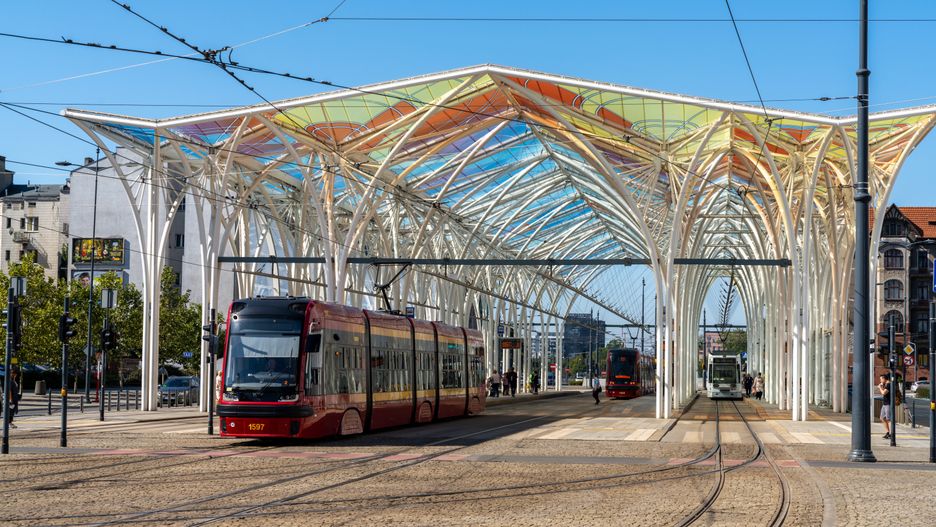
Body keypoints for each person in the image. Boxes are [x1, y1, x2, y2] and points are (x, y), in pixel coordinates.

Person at [878, 374, 893, 439]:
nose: (880, 380)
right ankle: (888, 433)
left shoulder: (889, 385)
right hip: (885, 404)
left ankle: (892, 432)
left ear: (884, 379)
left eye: (881, 379)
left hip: (888, 404)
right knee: (882, 418)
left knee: (888, 418)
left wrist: (880, 388)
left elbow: (884, 393)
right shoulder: (886, 385)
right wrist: (881, 387)